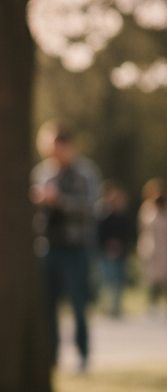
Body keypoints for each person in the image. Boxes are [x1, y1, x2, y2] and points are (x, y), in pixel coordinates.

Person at [30, 121, 101, 370]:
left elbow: (91, 210)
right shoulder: (42, 173)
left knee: (78, 303)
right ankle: (52, 357)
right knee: (47, 307)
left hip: (76, 247)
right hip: (48, 246)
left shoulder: (86, 173)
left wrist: (60, 201)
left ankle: (82, 354)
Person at [95, 181, 136, 318]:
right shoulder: (104, 216)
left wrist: (122, 245)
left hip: (121, 253)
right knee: (107, 280)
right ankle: (107, 307)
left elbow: (129, 234)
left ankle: (116, 307)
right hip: (107, 253)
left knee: (120, 280)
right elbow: (99, 234)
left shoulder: (124, 217)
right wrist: (108, 244)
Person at [138, 178, 167, 312]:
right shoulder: (147, 208)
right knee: (152, 277)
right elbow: (143, 228)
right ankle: (153, 303)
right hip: (152, 246)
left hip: (164, 246)